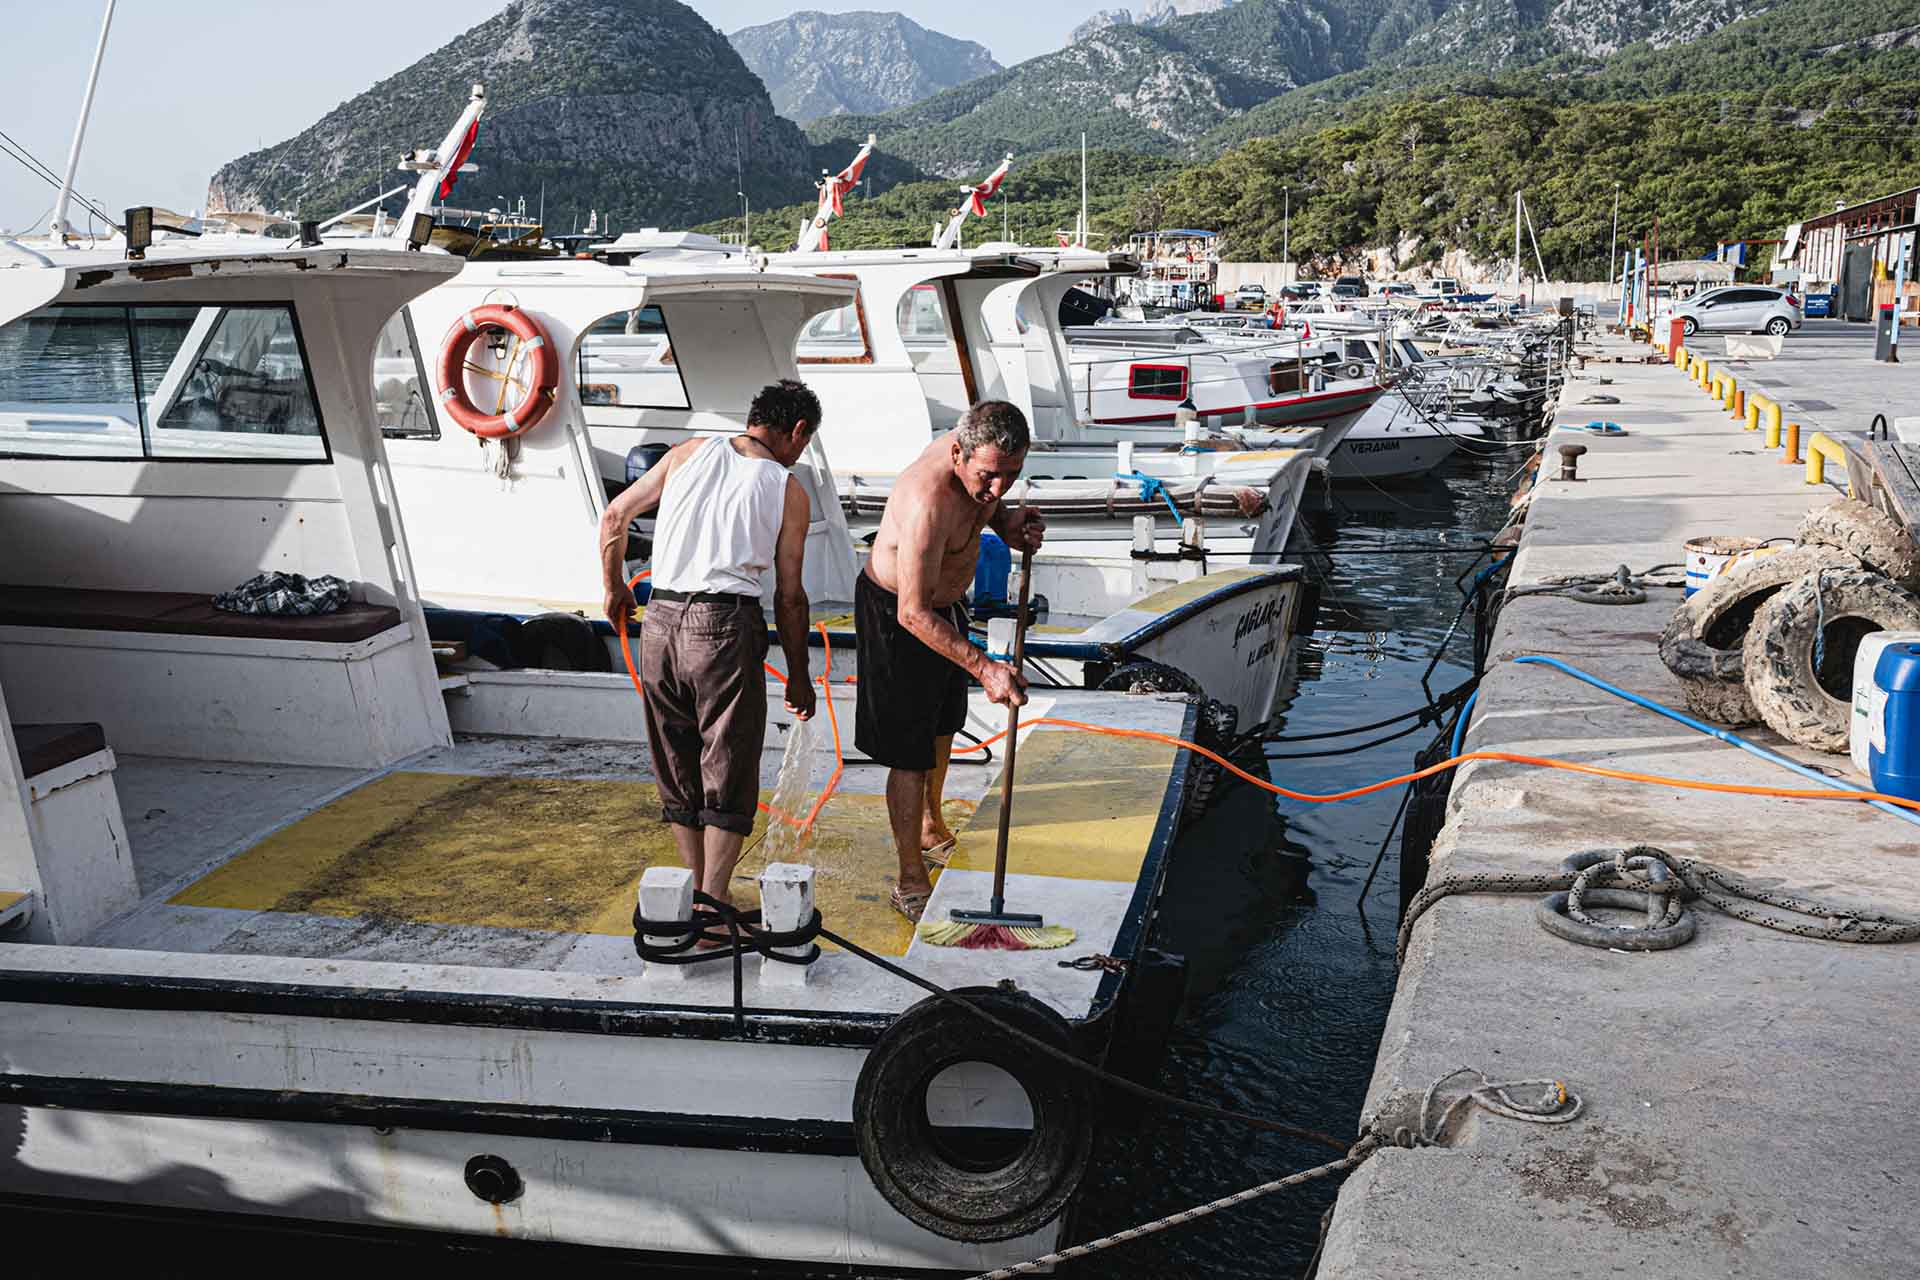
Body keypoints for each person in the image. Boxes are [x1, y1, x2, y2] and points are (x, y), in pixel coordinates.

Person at [599, 379, 819, 924]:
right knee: (727, 761)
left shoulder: (687, 454)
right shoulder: (786, 488)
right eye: (804, 441)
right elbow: (790, 596)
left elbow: (613, 519)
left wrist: (614, 589)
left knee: (676, 759)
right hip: (723, 625)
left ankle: (693, 895)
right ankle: (714, 904)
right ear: (795, 431)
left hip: (660, 619)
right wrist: (798, 675)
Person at [857, 400, 1046, 923]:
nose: (999, 488)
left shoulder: (981, 469)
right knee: (910, 752)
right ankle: (909, 877)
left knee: (944, 727)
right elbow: (912, 613)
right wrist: (985, 666)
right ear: (958, 454)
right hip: (901, 615)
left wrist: (1008, 523)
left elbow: (988, 506)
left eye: (1012, 476)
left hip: (946, 606)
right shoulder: (927, 501)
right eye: (990, 477)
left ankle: (930, 825)